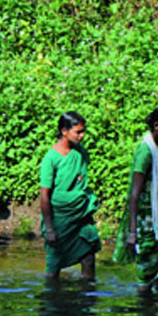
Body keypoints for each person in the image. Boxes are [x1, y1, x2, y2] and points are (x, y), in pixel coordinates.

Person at [115, 106, 158, 293]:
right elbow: (134, 193)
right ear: (157, 126)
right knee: (145, 276)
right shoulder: (145, 152)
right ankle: (144, 309)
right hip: (147, 222)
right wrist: (132, 232)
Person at [39, 111, 101, 280]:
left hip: (79, 216)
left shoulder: (80, 153)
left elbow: (80, 179)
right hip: (60, 218)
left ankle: (86, 298)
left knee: (88, 258)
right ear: (64, 131)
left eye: (83, 131)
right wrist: (50, 228)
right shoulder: (51, 158)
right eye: (78, 132)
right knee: (54, 266)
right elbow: (45, 195)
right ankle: (52, 300)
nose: (82, 136)